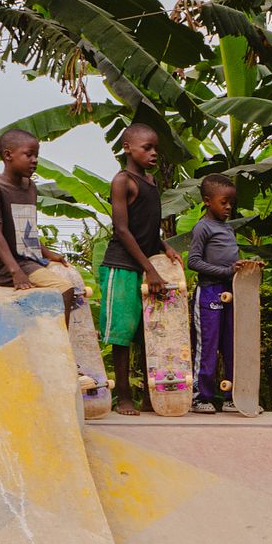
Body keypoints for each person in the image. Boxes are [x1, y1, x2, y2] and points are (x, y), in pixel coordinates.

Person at [99, 123, 183, 415]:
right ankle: (123, 396)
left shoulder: (150, 180)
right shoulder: (122, 181)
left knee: (149, 335)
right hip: (121, 266)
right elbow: (122, 229)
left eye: (155, 148)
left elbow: (145, 227)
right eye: (147, 147)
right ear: (127, 148)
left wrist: (164, 246)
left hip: (146, 265)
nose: (154, 153)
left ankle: (149, 396)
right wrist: (150, 269)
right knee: (122, 336)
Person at [0, 128, 73, 320]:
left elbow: (27, 232)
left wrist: (49, 254)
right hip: (10, 267)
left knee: (74, 279)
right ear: (8, 155)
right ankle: (58, 343)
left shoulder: (30, 187)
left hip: (31, 261)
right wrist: (16, 272)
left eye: (36, 155)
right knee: (64, 289)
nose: (35, 160)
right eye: (29, 155)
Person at [188, 174, 243, 414]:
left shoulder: (228, 228)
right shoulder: (203, 227)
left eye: (231, 202)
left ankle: (233, 397)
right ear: (208, 201)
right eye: (224, 202)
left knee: (232, 345)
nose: (229, 207)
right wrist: (225, 271)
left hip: (231, 292)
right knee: (208, 345)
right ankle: (201, 396)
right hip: (209, 292)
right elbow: (193, 261)